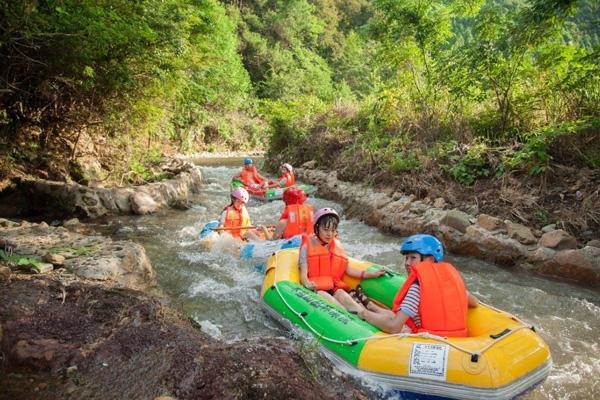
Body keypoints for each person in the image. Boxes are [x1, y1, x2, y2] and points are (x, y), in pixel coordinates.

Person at [353, 234, 479, 336]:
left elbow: (393, 327)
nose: (407, 263)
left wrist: (364, 315)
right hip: (457, 340)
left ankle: (364, 309)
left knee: (388, 318)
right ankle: (370, 305)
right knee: (396, 315)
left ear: (429, 259)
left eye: (413, 258)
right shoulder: (450, 284)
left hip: (428, 340)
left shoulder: (416, 288)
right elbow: (474, 302)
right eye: (406, 258)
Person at [298, 207, 385, 311]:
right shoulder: (307, 246)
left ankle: (367, 317)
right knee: (337, 306)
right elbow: (303, 274)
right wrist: (308, 284)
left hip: (334, 287)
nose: (329, 234)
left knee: (348, 300)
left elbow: (348, 270)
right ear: (317, 228)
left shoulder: (337, 246)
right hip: (317, 288)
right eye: (325, 230)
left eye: (333, 230)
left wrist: (372, 274)